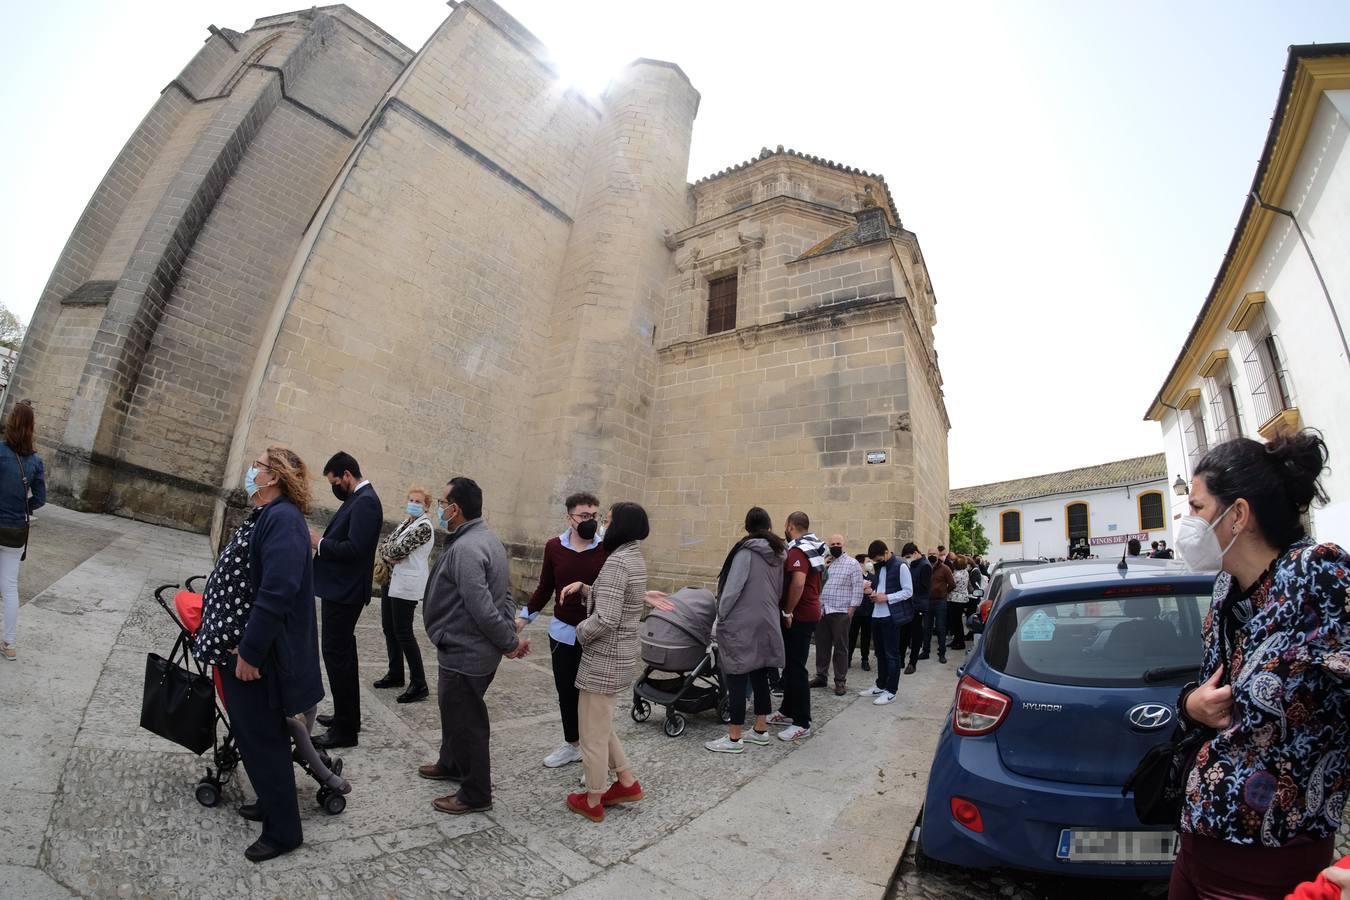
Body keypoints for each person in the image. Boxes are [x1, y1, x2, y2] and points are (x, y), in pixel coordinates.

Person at [1170, 432, 1349, 900]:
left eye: (1197, 507)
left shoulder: (1319, 577)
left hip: (1272, 856)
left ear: (1239, 515)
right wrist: (1190, 704)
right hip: (1199, 838)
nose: (1186, 521)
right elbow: (1212, 684)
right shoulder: (1225, 588)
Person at [207, 446, 323, 862]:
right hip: (243, 646)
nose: (251, 470)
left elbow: (277, 593)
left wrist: (251, 652)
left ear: (273, 476)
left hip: (259, 657)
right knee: (256, 738)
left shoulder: (284, 521)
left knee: (264, 740)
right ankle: (273, 804)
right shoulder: (267, 515)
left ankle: (284, 831)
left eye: (257, 465)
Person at [418, 477, 529, 815]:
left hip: (466, 652)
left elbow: (482, 606)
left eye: (442, 503)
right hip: (463, 647)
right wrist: (507, 630)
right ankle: (450, 762)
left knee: (467, 722)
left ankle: (476, 793)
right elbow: (506, 595)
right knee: (454, 712)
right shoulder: (487, 539)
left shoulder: (468, 548)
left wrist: (508, 641)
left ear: (457, 509)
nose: (439, 508)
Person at [558, 502, 651, 821]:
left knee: (591, 732)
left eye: (608, 522)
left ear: (620, 526)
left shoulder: (617, 563)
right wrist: (586, 589)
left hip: (604, 658)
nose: (602, 526)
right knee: (601, 724)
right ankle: (626, 781)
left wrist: (580, 633)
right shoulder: (632, 556)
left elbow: (607, 617)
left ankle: (594, 797)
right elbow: (617, 598)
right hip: (620, 656)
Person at [516, 491, 609, 769]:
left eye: (594, 515)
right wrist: (524, 617)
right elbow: (546, 586)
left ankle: (597, 753)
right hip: (562, 632)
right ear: (569, 518)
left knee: (594, 698)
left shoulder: (607, 548)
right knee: (566, 693)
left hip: (596, 634)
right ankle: (573, 745)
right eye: (584, 516)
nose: (590, 521)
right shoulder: (554, 547)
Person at [311, 451, 383, 750]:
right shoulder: (358, 499)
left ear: (347, 475)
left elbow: (355, 550)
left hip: (345, 593)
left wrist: (320, 543)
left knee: (336, 657)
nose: (334, 487)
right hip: (339, 590)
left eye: (334, 481)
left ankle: (345, 732)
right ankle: (347, 717)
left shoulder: (365, 502)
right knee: (343, 657)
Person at [703, 507, 786, 754]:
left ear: (747, 526)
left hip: (742, 621)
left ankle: (734, 736)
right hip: (767, 618)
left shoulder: (746, 551)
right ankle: (760, 729)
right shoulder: (779, 553)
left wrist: (721, 615)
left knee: (737, 675)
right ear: (769, 525)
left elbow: (732, 589)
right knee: (760, 673)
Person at [766, 511, 824, 741]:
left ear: (790, 526)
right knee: (790, 665)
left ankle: (802, 721)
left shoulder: (798, 549)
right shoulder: (814, 546)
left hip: (799, 615)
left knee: (797, 668)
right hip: (808, 612)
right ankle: (787, 710)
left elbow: (798, 583)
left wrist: (787, 611)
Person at [374, 485, 435, 703]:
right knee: (389, 628)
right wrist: (389, 553)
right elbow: (384, 546)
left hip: (406, 586)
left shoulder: (424, 527)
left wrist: (389, 553)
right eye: (411, 500)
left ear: (426, 506)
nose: (414, 504)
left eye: (418, 501)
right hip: (391, 581)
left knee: (404, 633)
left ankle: (419, 683)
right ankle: (396, 673)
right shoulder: (405, 524)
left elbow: (396, 550)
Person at [0, 400, 45, 662]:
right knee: (9, 587)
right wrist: (21, 505)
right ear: (31, 428)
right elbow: (40, 498)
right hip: (16, 530)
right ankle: (10, 643)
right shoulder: (36, 461)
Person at [858, 540, 913, 705]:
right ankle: (880, 684)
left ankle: (891, 690)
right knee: (880, 653)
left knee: (892, 655)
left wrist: (886, 597)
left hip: (891, 616)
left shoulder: (901, 566)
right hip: (877, 614)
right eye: (874, 560)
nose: (876, 562)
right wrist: (872, 592)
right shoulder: (880, 567)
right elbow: (881, 587)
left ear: (886, 552)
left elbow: (908, 591)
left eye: (878, 558)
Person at [811, 533, 863, 695]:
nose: (835, 546)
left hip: (841, 612)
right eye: (832, 544)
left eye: (838, 544)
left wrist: (851, 610)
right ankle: (821, 676)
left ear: (843, 545)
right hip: (823, 611)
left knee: (841, 648)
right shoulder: (824, 563)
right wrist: (823, 567)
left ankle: (840, 681)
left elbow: (858, 588)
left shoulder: (852, 563)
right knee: (822, 646)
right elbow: (817, 585)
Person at [901, 542, 932, 674]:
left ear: (915, 553)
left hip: (918, 605)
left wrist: (908, 586)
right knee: (903, 633)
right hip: (908, 604)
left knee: (916, 634)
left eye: (908, 556)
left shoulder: (925, 566)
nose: (907, 559)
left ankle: (912, 663)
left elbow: (924, 587)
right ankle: (900, 659)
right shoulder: (912, 565)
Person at [925, 550, 955, 664]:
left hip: (940, 602)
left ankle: (942, 653)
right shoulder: (926, 568)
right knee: (926, 628)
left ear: (938, 556)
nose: (932, 556)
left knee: (941, 628)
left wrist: (944, 593)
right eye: (930, 554)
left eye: (934, 554)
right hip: (927, 602)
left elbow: (952, 584)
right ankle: (925, 651)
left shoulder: (945, 568)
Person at [847, 554, 875, 672]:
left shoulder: (873, 577)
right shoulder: (854, 576)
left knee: (866, 636)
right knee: (851, 636)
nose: (870, 563)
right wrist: (862, 590)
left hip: (868, 611)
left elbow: (876, 590)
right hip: (856, 611)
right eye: (868, 561)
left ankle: (865, 659)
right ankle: (847, 659)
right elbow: (849, 589)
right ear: (861, 563)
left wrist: (871, 591)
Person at [947, 555, 970, 652]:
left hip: (955, 599)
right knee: (957, 622)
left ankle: (960, 642)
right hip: (962, 599)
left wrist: (946, 591)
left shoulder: (956, 575)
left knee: (956, 622)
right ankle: (956, 640)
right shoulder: (965, 572)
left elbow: (951, 585)